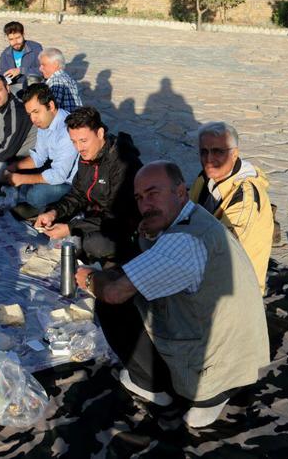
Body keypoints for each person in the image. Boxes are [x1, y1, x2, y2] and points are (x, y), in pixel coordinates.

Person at [76, 161, 270, 428]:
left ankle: (154, 386)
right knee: (126, 277)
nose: (145, 204)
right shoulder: (195, 217)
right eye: (140, 198)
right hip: (240, 354)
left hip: (213, 368)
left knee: (111, 304)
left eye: (153, 193)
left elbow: (114, 293)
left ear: (180, 192)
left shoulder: (184, 242)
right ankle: (209, 387)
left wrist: (86, 277)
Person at [34, 106, 142, 264]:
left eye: (83, 141)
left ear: (100, 133)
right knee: (50, 216)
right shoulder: (87, 155)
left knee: (93, 243)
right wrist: (53, 213)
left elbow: (118, 218)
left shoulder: (123, 163)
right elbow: (78, 194)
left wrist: (71, 227)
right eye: (74, 142)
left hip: (125, 226)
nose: (78, 148)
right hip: (96, 216)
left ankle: (113, 266)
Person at [189, 122, 274, 294]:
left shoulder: (244, 197)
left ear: (234, 154)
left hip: (238, 289)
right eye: (204, 151)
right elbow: (186, 211)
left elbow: (221, 249)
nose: (209, 158)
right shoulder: (208, 177)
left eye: (218, 151)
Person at [2, 83, 78, 216]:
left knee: (34, 194)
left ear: (51, 106)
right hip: (56, 174)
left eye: (36, 112)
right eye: (29, 114)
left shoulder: (67, 130)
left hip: (71, 184)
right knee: (22, 184)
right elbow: (39, 157)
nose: (33, 119)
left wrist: (22, 179)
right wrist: (15, 166)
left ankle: (48, 209)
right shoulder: (44, 123)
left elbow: (59, 175)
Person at [0, 21, 43, 93]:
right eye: (11, 39)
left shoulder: (36, 48)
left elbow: (42, 70)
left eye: (18, 37)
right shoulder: (5, 54)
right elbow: (4, 74)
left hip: (34, 87)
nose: (15, 42)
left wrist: (21, 70)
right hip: (14, 88)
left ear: (23, 34)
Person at [39, 48, 83, 113]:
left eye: (43, 65)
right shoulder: (66, 77)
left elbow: (51, 109)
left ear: (55, 64)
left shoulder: (56, 80)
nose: (40, 69)